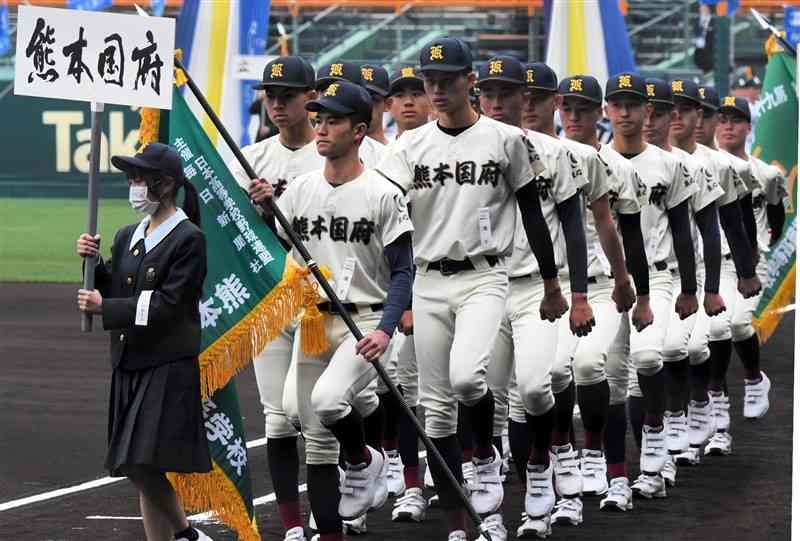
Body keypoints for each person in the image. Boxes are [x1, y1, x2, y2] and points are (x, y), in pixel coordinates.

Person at [377, 37, 590, 541]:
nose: (436, 90)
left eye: (447, 81)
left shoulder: (503, 139)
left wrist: (555, 282)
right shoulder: (409, 146)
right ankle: (463, 522)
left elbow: (535, 216)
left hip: (485, 275)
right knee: (435, 408)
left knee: (470, 381)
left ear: (467, 82)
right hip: (427, 278)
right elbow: (382, 214)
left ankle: (488, 457)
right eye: (430, 82)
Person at [253, 80, 415, 541]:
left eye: (334, 120)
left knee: (326, 402)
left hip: (365, 320)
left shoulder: (383, 193)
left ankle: (363, 460)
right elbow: (279, 244)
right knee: (314, 437)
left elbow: (404, 271)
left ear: (360, 130)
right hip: (313, 322)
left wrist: (386, 331)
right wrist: (267, 211)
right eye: (319, 119)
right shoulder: (301, 189)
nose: (322, 128)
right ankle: (331, 532)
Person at [476, 56, 594, 538]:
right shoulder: (468, 149)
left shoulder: (557, 153)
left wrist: (579, 292)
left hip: (537, 287)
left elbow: (575, 225)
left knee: (534, 389)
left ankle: (550, 461)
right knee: (480, 394)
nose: (507, 102)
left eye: (522, 95)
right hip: (480, 285)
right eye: (494, 92)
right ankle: (495, 514)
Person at [76, 142, 212, 541]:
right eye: (131, 178)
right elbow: (116, 287)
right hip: (130, 360)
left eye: (140, 178)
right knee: (143, 464)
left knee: (137, 461)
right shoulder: (126, 236)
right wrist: (91, 265)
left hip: (167, 363)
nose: (134, 186)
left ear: (165, 184)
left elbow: (170, 305)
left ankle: (187, 534)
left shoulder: (189, 238)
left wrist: (107, 307)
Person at [549, 71, 653, 524]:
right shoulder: (541, 158)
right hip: (551, 286)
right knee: (551, 377)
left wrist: (637, 289)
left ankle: (613, 474)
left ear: (599, 113)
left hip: (606, 285)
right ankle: (562, 469)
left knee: (603, 371)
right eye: (567, 107)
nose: (573, 115)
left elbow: (632, 238)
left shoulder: (618, 167)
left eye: (583, 108)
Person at [228, 55, 321, 541]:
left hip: (322, 300)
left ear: (312, 96)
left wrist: (275, 207)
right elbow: (244, 237)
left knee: (320, 412)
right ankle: (291, 525)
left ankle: (361, 464)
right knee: (279, 419)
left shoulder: (331, 151)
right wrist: (260, 214)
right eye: (271, 95)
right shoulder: (253, 159)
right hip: (272, 302)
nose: (278, 104)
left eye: (288, 95)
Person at [602, 72, 699, 502]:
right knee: (606, 376)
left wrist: (690, 286)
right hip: (605, 277)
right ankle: (621, 475)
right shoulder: (596, 162)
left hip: (657, 275)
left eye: (633, 104)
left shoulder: (669, 164)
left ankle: (656, 440)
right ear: (607, 110)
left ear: (648, 111)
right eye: (616, 104)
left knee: (647, 358)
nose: (624, 112)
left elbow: (682, 230)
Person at [668, 80, 760, 467]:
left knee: (714, 334)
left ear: (699, 116)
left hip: (714, 265)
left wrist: (746, 268)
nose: (677, 117)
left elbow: (739, 220)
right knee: (669, 352)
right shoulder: (651, 159)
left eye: (687, 109)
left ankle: (716, 399)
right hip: (666, 269)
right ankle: (690, 416)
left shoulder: (721, 164)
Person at [640, 78, 727, 488]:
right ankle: (654, 452)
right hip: (626, 278)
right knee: (634, 370)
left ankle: (688, 414)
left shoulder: (694, 165)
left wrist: (708, 287)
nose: (662, 117)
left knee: (680, 348)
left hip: (676, 274)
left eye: (671, 109)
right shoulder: (613, 160)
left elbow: (710, 231)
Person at [707, 96, 781, 453]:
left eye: (736, 120)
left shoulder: (766, 173)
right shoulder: (703, 166)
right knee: (715, 330)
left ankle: (754, 378)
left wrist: (761, 245)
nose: (728, 126)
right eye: (721, 119)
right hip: (713, 260)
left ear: (748, 127)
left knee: (737, 324)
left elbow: (777, 216)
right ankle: (716, 407)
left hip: (750, 261)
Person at [387, 67, 432, 138]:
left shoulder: (447, 146)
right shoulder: (383, 148)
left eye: (416, 94)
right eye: (399, 95)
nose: (408, 102)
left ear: (430, 101)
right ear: (388, 105)